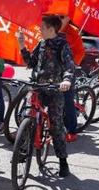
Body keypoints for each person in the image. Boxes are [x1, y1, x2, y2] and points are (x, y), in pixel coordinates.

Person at [17, 14, 75, 177]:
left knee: (55, 124)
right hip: (39, 86)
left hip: (55, 89)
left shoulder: (62, 45)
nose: (40, 30)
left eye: (42, 27)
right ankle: (22, 151)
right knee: (26, 115)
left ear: (51, 29)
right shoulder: (41, 43)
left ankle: (63, 162)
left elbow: (69, 66)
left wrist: (66, 81)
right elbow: (30, 62)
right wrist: (22, 45)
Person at [59, 16, 85, 142]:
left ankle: (72, 130)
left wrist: (72, 64)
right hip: (51, 68)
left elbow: (80, 51)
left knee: (67, 100)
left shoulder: (73, 32)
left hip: (67, 70)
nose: (60, 19)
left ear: (69, 18)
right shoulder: (51, 27)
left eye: (63, 17)